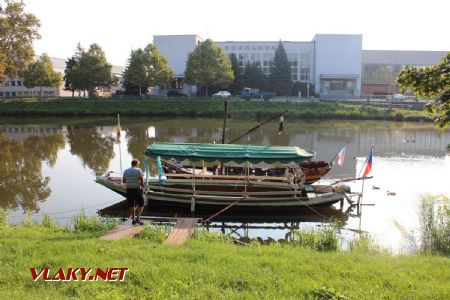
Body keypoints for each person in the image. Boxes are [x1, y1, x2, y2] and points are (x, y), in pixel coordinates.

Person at [123, 159, 144, 225]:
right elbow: (141, 181)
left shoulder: (126, 171)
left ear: (131, 164)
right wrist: (144, 187)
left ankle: (133, 218)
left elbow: (124, 181)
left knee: (131, 204)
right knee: (141, 203)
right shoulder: (139, 170)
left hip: (129, 189)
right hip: (136, 189)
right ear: (137, 164)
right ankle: (138, 218)